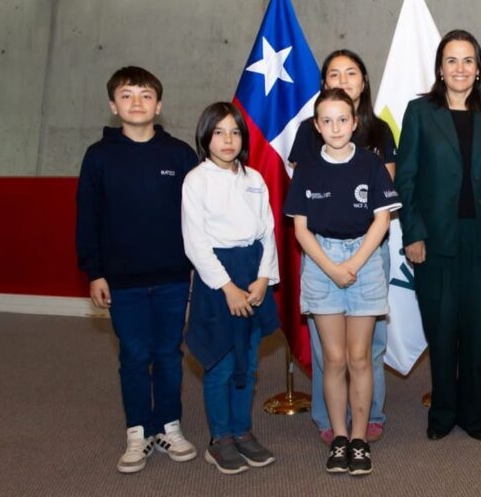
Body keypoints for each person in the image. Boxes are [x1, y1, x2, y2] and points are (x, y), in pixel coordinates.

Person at [396, 29, 481, 442]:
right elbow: (407, 179)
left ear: (479, 67)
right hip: (434, 239)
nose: (460, 68)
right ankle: (442, 414)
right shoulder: (419, 112)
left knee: (480, 329)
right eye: (452, 60)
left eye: (468, 60)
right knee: (442, 327)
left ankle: (475, 415)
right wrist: (412, 233)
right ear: (440, 68)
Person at [76, 66, 199, 473]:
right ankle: (137, 431)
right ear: (113, 105)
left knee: (167, 353)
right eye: (127, 95)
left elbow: (196, 217)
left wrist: (197, 269)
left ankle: (168, 426)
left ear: (159, 105)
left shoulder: (180, 154)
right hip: (122, 280)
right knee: (133, 355)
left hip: (171, 276)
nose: (136, 102)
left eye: (145, 95)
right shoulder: (98, 157)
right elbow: (87, 218)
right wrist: (94, 271)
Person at [286, 88, 400, 476]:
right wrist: (331, 267)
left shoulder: (370, 163)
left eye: (343, 119)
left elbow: (382, 220)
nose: (336, 127)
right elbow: (301, 230)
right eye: (327, 121)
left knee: (359, 357)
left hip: (364, 262)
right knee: (332, 359)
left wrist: (353, 262)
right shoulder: (306, 169)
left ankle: (359, 438)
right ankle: (337, 436)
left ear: (354, 123)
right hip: (320, 262)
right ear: (317, 127)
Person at [182, 102, 280, 475]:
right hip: (218, 280)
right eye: (219, 132)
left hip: (253, 273)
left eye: (235, 132)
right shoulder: (197, 180)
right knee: (221, 363)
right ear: (205, 137)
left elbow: (267, 232)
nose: (228, 140)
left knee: (249, 363)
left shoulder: (254, 179)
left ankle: (243, 431)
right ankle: (219, 438)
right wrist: (228, 288)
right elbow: (196, 242)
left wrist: (262, 278)